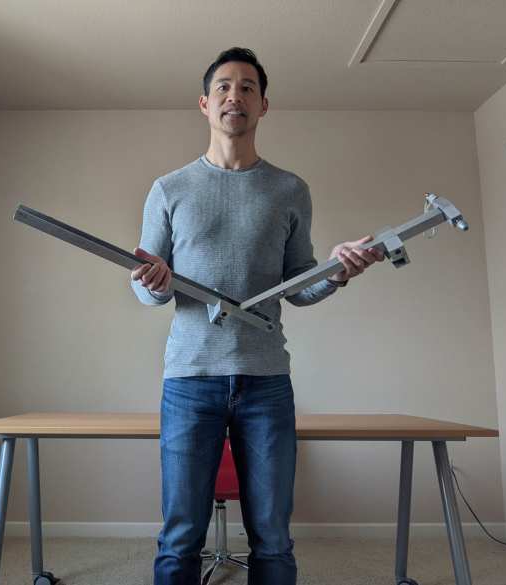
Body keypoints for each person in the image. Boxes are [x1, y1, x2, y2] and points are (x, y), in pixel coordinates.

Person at [130, 47, 384, 585]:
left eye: (247, 87)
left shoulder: (290, 190)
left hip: (266, 381)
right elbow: (150, 292)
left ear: (263, 105)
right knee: (180, 536)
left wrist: (337, 272)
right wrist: (152, 283)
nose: (234, 96)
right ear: (204, 103)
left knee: (272, 535)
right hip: (189, 379)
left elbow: (299, 287)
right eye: (223, 86)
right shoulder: (169, 189)